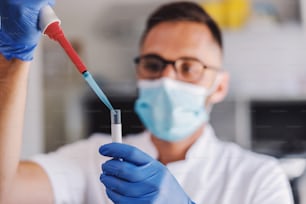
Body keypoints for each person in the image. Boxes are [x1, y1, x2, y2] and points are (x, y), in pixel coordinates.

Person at [0, 1, 294, 204]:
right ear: (138, 73)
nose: (167, 78)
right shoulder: (95, 159)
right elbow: (6, 192)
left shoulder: (259, 177)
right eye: (154, 64)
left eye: (188, 66)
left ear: (219, 86)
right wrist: (15, 59)